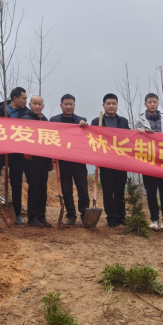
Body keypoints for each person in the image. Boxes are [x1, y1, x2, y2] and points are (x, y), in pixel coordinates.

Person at [0, 87, 29, 225]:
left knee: (16, 180)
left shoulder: (26, 113)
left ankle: (17, 212)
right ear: (15, 98)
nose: (25, 101)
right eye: (23, 98)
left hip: (16, 151)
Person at [134, 93, 163, 232]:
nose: (152, 104)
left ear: (158, 103)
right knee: (151, 191)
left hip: (162, 160)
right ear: (145, 104)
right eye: (150, 102)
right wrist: (140, 132)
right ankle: (154, 220)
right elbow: (135, 137)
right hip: (148, 160)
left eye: (155, 102)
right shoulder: (140, 119)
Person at [91, 94, 130, 228]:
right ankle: (111, 217)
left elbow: (129, 139)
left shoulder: (123, 122)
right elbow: (91, 139)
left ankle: (121, 216)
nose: (111, 106)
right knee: (108, 191)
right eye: (108, 104)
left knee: (120, 190)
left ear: (117, 105)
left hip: (121, 162)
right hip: (105, 161)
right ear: (103, 105)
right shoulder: (97, 121)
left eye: (114, 103)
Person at [50, 94, 89, 227]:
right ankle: (71, 216)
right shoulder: (54, 120)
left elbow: (86, 138)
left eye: (71, 104)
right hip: (63, 161)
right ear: (61, 106)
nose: (68, 106)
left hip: (79, 161)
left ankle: (84, 215)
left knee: (83, 189)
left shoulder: (81, 121)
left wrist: (85, 127)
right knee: (66, 190)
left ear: (74, 105)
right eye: (66, 104)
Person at [22, 95, 53, 228]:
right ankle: (32, 217)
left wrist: (50, 158)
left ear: (43, 106)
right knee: (34, 186)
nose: (37, 106)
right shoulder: (25, 119)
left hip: (43, 158)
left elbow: (49, 140)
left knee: (42, 187)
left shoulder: (45, 120)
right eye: (34, 103)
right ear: (29, 105)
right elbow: (21, 137)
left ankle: (41, 215)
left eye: (39, 104)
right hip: (31, 159)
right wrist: (25, 151)